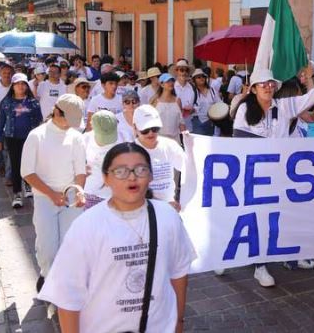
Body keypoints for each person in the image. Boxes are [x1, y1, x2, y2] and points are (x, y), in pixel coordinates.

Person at [38, 142, 196, 333]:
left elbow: (178, 274)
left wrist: (178, 322)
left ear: (151, 176)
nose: (132, 177)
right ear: (106, 178)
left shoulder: (168, 217)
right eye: (120, 171)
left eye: (140, 169)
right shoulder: (86, 226)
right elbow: (67, 294)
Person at [229, 68, 314, 286]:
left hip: (279, 176)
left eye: (271, 83)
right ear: (253, 89)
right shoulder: (244, 110)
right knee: (255, 218)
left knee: (278, 217)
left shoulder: (284, 107)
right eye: (263, 84)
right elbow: (239, 141)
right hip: (254, 176)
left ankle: (285, 256)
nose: (268, 87)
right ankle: (258, 265)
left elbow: (310, 99)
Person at [21, 93, 87, 292]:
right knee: (48, 247)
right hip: (44, 197)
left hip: (70, 197)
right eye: (68, 119)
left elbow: (80, 170)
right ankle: (46, 275)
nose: (70, 125)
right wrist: (51, 194)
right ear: (57, 112)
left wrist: (79, 191)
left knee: (70, 244)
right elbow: (27, 172)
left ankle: (63, 287)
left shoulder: (76, 137)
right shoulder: (36, 136)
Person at [0, 73, 43, 208]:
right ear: (13, 86)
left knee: (30, 164)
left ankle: (28, 186)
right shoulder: (6, 102)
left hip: (30, 139)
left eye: (23, 84)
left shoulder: (33, 103)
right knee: (16, 165)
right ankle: (17, 193)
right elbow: (1, 122)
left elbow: (39, 121)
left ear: (27, 86)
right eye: (17, 84)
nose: (21, 86)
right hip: (12, 138)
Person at [132, 105, 185, 211]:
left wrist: (192, 148)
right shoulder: (129, 151)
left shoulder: (170, 145)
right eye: (145, 130)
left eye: (155, 128)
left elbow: (187, 168)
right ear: (135, 128)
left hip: (168, 207)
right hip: (140, 208)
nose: (151, 133)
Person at [83, 110, 120, 209]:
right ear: (93, 127)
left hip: (113, 197)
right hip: (88, 195)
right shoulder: (84, 139)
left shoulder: (124, 139)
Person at [151, 73, 185, 142]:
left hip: (175, 140)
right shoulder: (155, 101)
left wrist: (186, 137)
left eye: (172, 81)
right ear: (162, 84)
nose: (171, 83)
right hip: (159, 139)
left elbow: (181, 121)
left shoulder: (178, 101)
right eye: (168, 81)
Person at [190, 69, 220, 136]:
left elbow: (219, 104)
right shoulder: (192, 92)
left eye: (203, 76)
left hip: (211, 121)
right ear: (194, 80)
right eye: (198, 77)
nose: (201, 78)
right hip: (197, 121)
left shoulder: (212, 90)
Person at [173, 59, 195, 130]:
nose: (184, 73)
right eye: (182, 70)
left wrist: (193, 109)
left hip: (188, 124)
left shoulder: (192, 87)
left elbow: (197, 103)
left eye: (186, 70)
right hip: (174, 126)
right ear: (177, 72)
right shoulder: (171, 87)